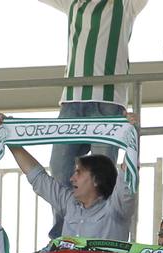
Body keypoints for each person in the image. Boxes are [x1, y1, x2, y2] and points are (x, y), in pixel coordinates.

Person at [35, 0, 145, 237]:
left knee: (102, 176)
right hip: (72, 101)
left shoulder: (126, 4)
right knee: (60, 168)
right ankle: (63, 236)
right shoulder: (73, 2)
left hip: (108, 102)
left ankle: (101, 237)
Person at [0, 111, 138, 243]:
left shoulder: (116, 208)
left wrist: (131, 132)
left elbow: (128, 175)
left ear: (97, 179)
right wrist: (10, 138)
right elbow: (38, 177)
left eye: (79, 172)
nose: (72, 178)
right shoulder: (69, 203)